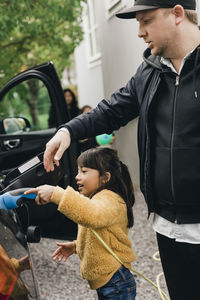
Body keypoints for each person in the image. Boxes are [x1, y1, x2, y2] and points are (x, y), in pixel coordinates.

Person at [42, 0, 200, 299]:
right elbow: (110, 111)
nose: (140, 32)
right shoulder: (149, 72)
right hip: (167, 227)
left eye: (147, 20)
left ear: (178, 14)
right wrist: (67, 130)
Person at [25, 147, 136, 299]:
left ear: (105, 178)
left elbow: (91, 214)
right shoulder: (98, 199)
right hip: (109, 281)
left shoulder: (111, 200)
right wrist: (78, 245)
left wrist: (57, 194)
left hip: (116, 281)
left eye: (84, 171)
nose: (77, 177)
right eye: (78, 171)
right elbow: (100, 235)